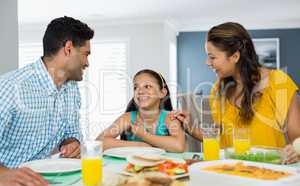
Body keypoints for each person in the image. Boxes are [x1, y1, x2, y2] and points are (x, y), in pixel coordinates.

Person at [172, 22, 300, 164]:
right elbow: (219, 138)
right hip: (229, 172)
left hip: (268, 172)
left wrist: (294, 151)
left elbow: (297, 139)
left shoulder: (278, 83)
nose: (207, 62)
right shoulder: (218, 89)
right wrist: (190, 126)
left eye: (212, 57)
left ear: (235, 56)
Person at [0, 16, 94, 186]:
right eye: (86, 54)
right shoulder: (10, 87)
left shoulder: (71, 88)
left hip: (46, 185)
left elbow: (71, 132)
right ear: (68, 48)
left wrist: (71, 142)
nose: (87, 62)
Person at [97, 69, 185, 152]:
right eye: (136, 87)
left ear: (162, 93)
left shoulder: (169, 118)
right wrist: (138, 145)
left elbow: (179, 146)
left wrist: (144, 135)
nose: (140, 91)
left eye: (147, 86)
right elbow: (99, 142)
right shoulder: (128, 118)